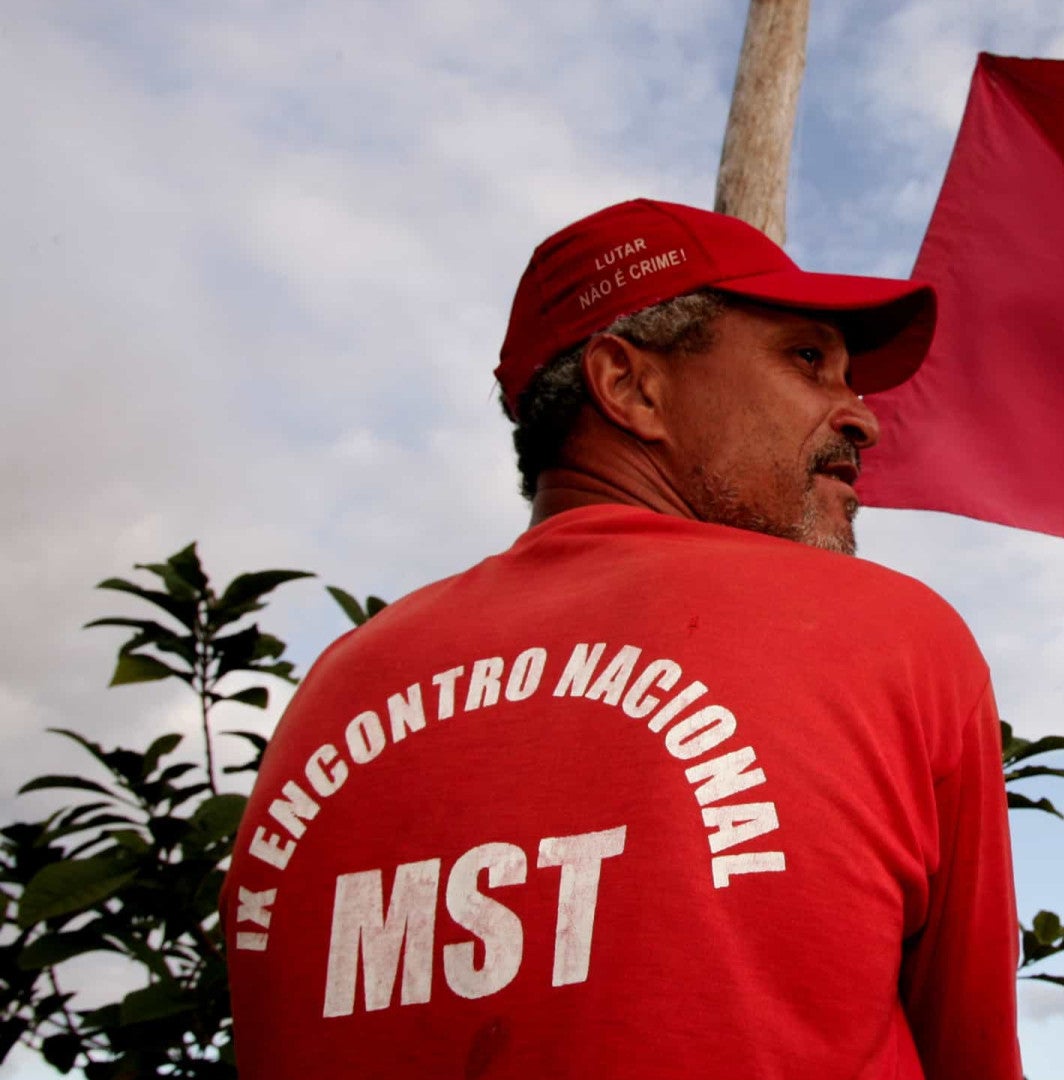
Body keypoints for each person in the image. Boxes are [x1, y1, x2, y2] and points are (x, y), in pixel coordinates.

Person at [222, 199, 1022, 1080]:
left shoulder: (340, 682)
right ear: (631, 386)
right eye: (808, 360)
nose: (861, 418)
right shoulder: (888, 634)